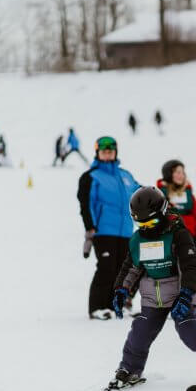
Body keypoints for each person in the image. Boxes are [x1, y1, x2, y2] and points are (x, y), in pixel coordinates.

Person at [107, 186, 196, 389]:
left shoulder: (177, 235)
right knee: (139, 332)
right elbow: (131, 267)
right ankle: (130, 369)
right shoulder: (138, 240)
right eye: (140, 223)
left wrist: (186, 293)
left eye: (150, 222)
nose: (146, 227)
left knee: (189, 331)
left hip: (179, 295)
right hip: (152, 297)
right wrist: (121, 290)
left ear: (162, 213)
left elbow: (189, 266)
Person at [77, 136, 141, 320]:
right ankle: (98, 307)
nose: (107, 153)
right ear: (98, 153)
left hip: (125, 231)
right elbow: (85, 203)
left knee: (123, 270)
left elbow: (139, 193)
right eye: (104, 151)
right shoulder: (91, 176)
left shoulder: (125, 175)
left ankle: (115, 305)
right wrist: (90, 227)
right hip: (103, 230)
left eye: (110, 151)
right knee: (106, 267)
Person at [156, 159, 196, 237]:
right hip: (168, 236)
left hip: (189, 236)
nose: (181, 175)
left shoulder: (189, 194)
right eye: (177, 172)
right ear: (168, 174)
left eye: (183, 172)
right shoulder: (160, 195)